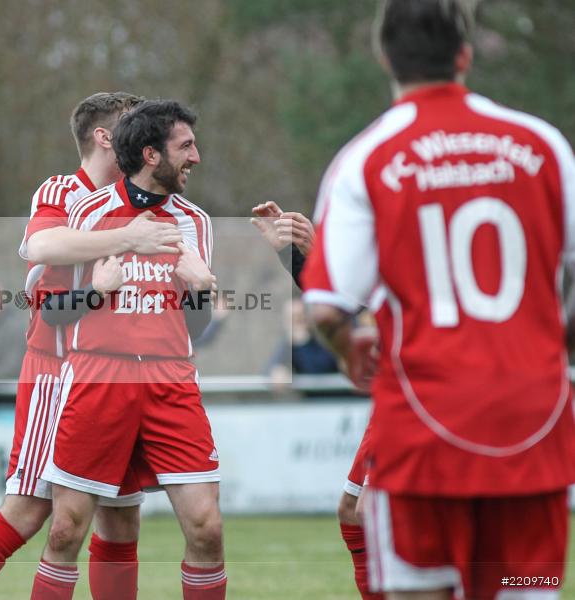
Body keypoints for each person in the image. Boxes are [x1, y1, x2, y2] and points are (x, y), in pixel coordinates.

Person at [302, 1, 575, 598]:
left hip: (424, 427)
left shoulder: (364, 159)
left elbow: (326, 308)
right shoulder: (544, 145)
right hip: (532, 425)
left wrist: (349, 350)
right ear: (464, 55)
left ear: (384, 59)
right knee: (525, 587)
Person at [0, 92, 185, 600]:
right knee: (31, 511)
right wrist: (125, 241)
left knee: (121, 518)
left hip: (124, 375)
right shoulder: (62, 190)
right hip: (57, 369)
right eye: (131, 124)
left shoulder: (136, 196)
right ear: (104, 136)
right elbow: (41, 246)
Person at [30, 99, 224, 600]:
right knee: (65, 531)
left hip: (171, 382)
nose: (196, 157)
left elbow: (195, 329)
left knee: (206, 530)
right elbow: (49, 311)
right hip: (97, 380)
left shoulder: (195, 224)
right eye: (186, 146)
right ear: (151, 155)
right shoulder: (86, 212)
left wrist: (200, 290)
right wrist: (97, 291)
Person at [253, 201, 381, 598]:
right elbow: (353, 304)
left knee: (373, 513)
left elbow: (344, 309)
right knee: (353, 513)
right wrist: (298, 255)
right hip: (402, 392)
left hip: (434, 390)